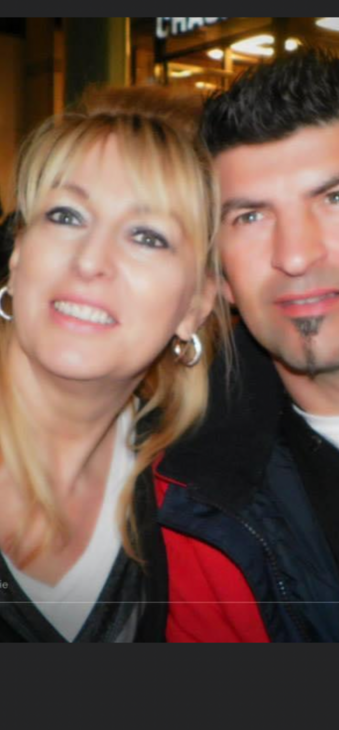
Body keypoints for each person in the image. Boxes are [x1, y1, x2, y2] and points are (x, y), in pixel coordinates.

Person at [155, 48, 339, 642]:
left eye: (335, 198)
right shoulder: (189, 505)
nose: (294, 255)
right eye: (250, 217)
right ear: (220, 273)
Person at [0, 86, 226, 642]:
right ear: (18, 252)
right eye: (66, 215)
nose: (91, 261)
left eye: (147, 237)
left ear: (196, 304)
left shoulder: (192, 497)